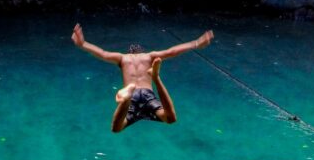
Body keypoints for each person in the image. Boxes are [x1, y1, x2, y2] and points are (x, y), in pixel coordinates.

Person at [71, 24, 214, 132]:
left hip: (133, 95)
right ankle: (155, 77)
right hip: (147, 95)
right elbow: (172, 52)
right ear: (141, 51)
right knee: (170, 119)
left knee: (116, 128)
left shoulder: (122, 58)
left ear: (129, 52)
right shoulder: (149, 56)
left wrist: (83, 44)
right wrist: (195, 43)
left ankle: (125, 99)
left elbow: (102, 53)